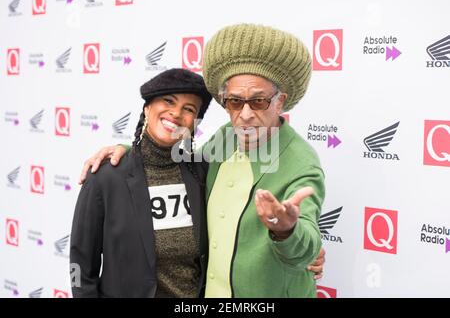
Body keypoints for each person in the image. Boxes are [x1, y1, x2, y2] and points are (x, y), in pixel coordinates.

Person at [79, 24, 326, 297]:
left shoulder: (302, 162)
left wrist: (288, 232)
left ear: (280, 102)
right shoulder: (224, 139)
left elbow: (307, 241)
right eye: (234, 101)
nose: (244, 115)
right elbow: (172, 157)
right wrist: (130, 151)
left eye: (258, 101)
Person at [70, 68, 212, 297]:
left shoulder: (203, 173)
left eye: (188, 109)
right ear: (147, 108)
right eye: (168, 101)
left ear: (194, 124)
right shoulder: (106, 176)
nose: (176, 113)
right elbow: (81, 264)